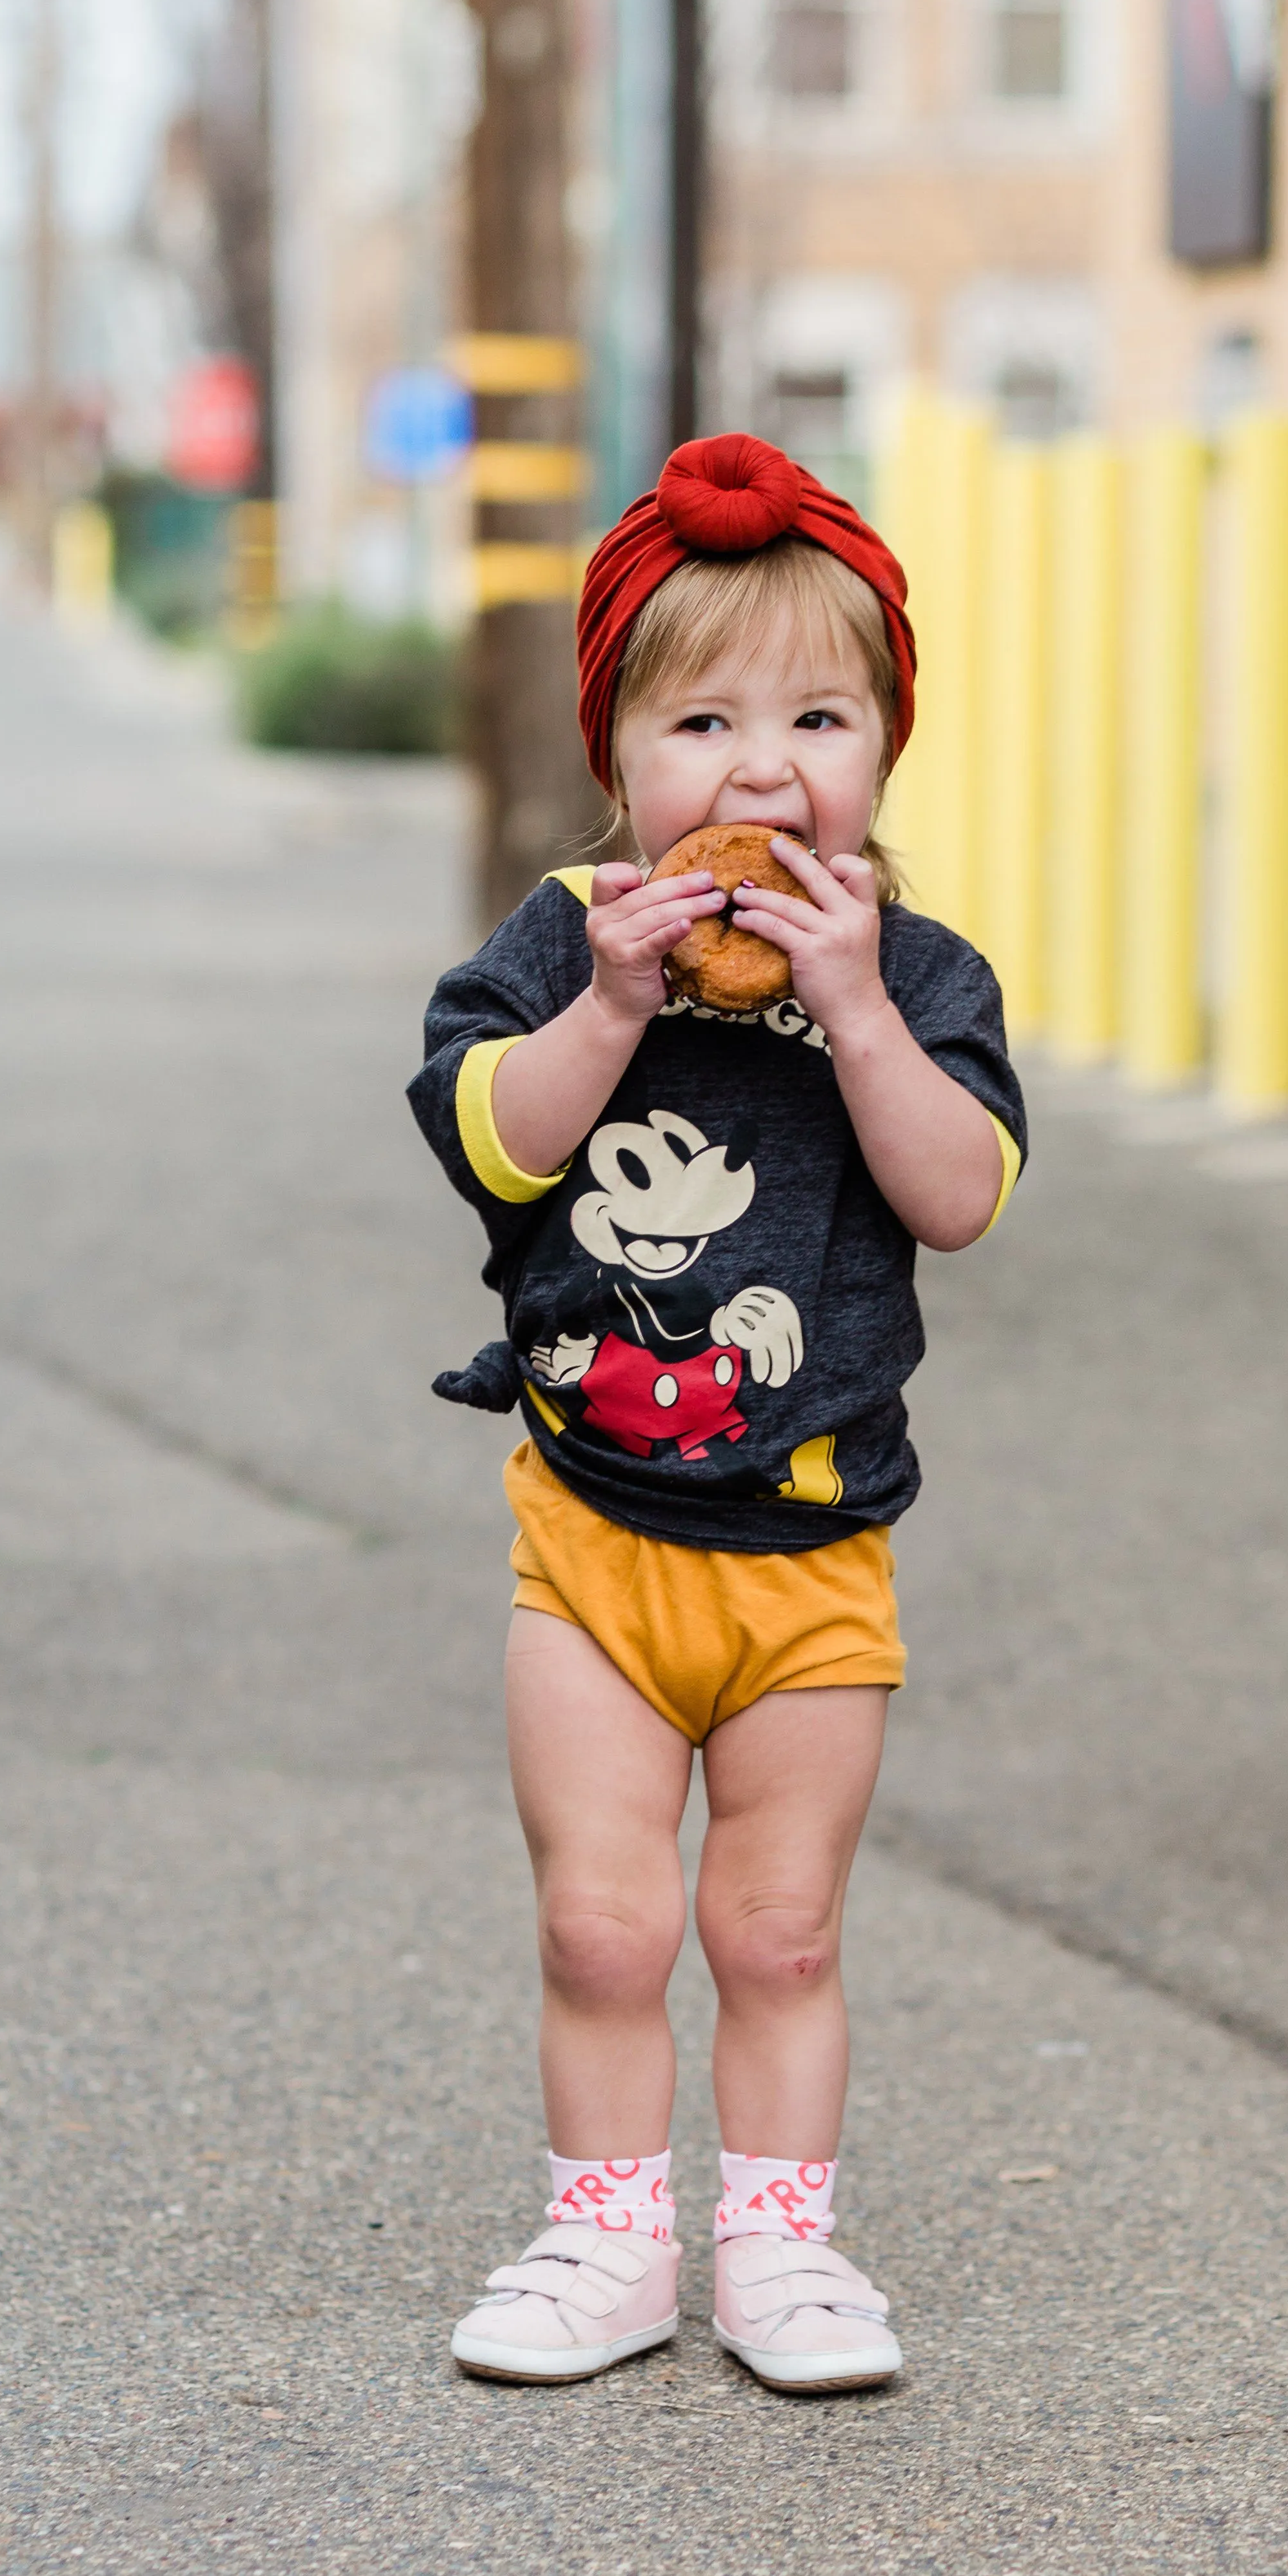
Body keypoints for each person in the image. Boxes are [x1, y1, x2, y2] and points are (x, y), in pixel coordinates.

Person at [408, 432, 1025, 2393]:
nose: (766, 769)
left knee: (777, 1928)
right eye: (705, 719)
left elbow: (963, 1193)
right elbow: (489, 1149)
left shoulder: (916, 973)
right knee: (602, 1922)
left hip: (815, 1554)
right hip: (590, 1538)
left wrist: (852, 1011)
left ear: (886, 748)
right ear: (620, 759)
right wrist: (598, 1006)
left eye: (822, 714)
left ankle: (784, 2251)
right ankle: (606, 2243)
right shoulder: (562, 940)